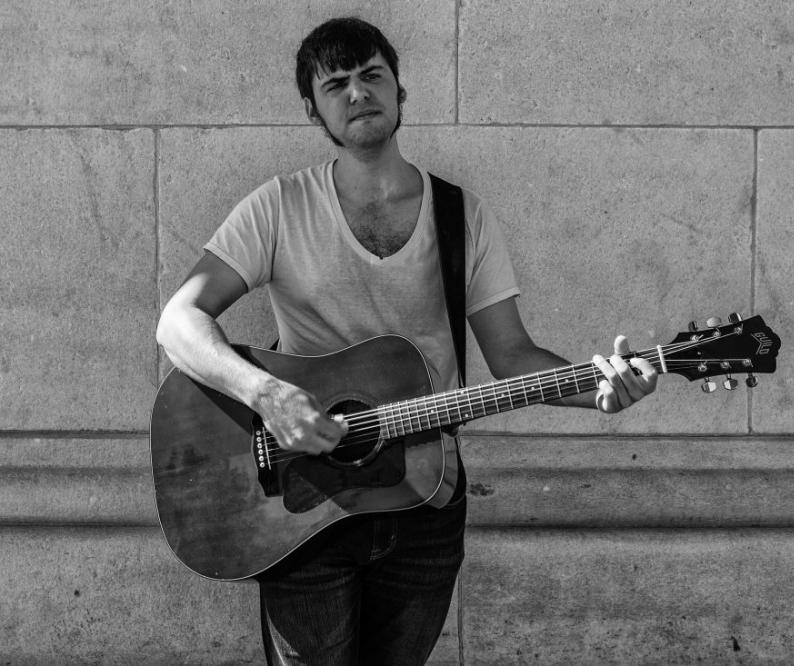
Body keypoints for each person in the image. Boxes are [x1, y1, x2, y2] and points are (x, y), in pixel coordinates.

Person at [155, 16, 658, 666]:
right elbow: (178, 322)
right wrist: (267, 394)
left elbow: (512, 356)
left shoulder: (461, 217)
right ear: (313, 110)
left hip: (425, 499)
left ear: (400, 91)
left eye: (372, 75)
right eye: (336, 84)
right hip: (304, 505)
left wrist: (600, 390)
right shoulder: (278, 207)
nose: (357, 92)